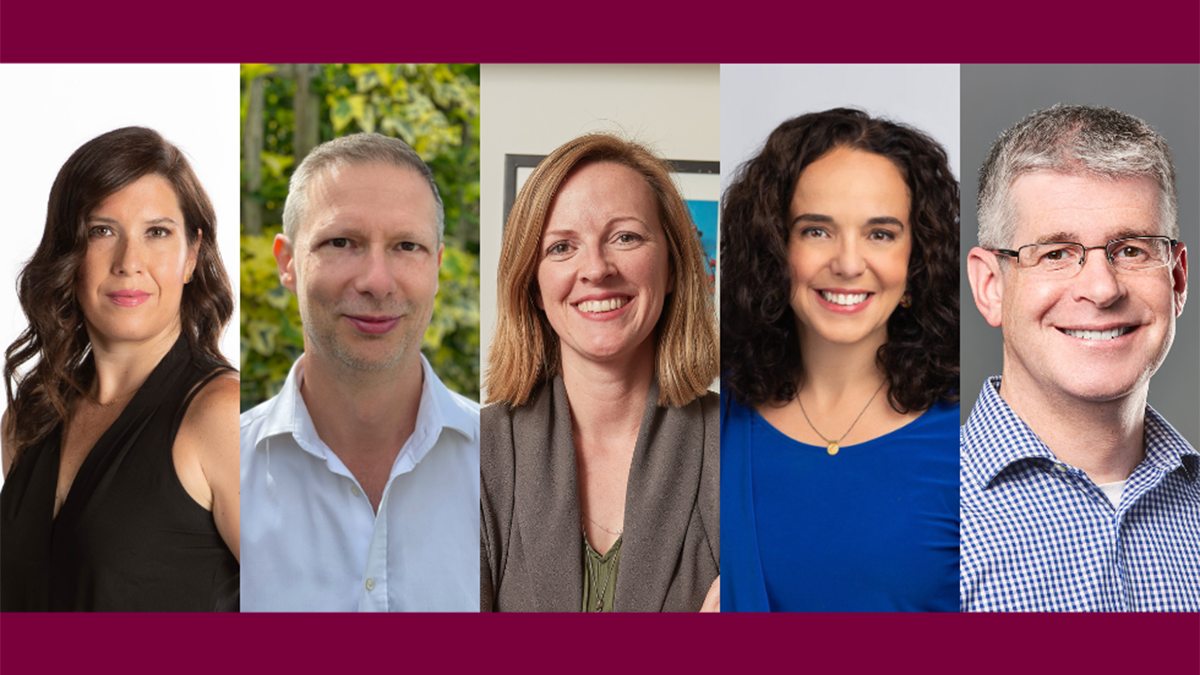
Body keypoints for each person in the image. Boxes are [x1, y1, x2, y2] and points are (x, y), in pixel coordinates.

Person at [721, 109, 961, 612]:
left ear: (918, 256)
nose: (849, 264)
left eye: (880, 234)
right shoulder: (714, 419)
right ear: (774, 246)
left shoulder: (972, 436)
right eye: (816, 231)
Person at [963, 104, 1199, 611]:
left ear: (1177, 279)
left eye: (1132, 250)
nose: (1101, 288)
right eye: (1055, 253)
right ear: (990, 286)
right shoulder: (918, 522)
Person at [0, 127, 240, 611]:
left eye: (157, 232)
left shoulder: (219, 416)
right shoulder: (30, 418)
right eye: (102, 231)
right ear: (69, 252)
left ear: (191, 255)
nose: (129, 262)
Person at [240, 132, 479, 612]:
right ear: (287, 263)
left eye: (406, 246)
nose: (376, 281)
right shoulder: (224, 474)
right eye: (341, 242)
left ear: (437, 265)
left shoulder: (510, 470)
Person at [481, 134, 720, 612]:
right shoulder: (477, 454)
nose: (595, 268)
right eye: (561, 247)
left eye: (625, 237)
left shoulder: (746, 449)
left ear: (673, 266)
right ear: (532, 284)